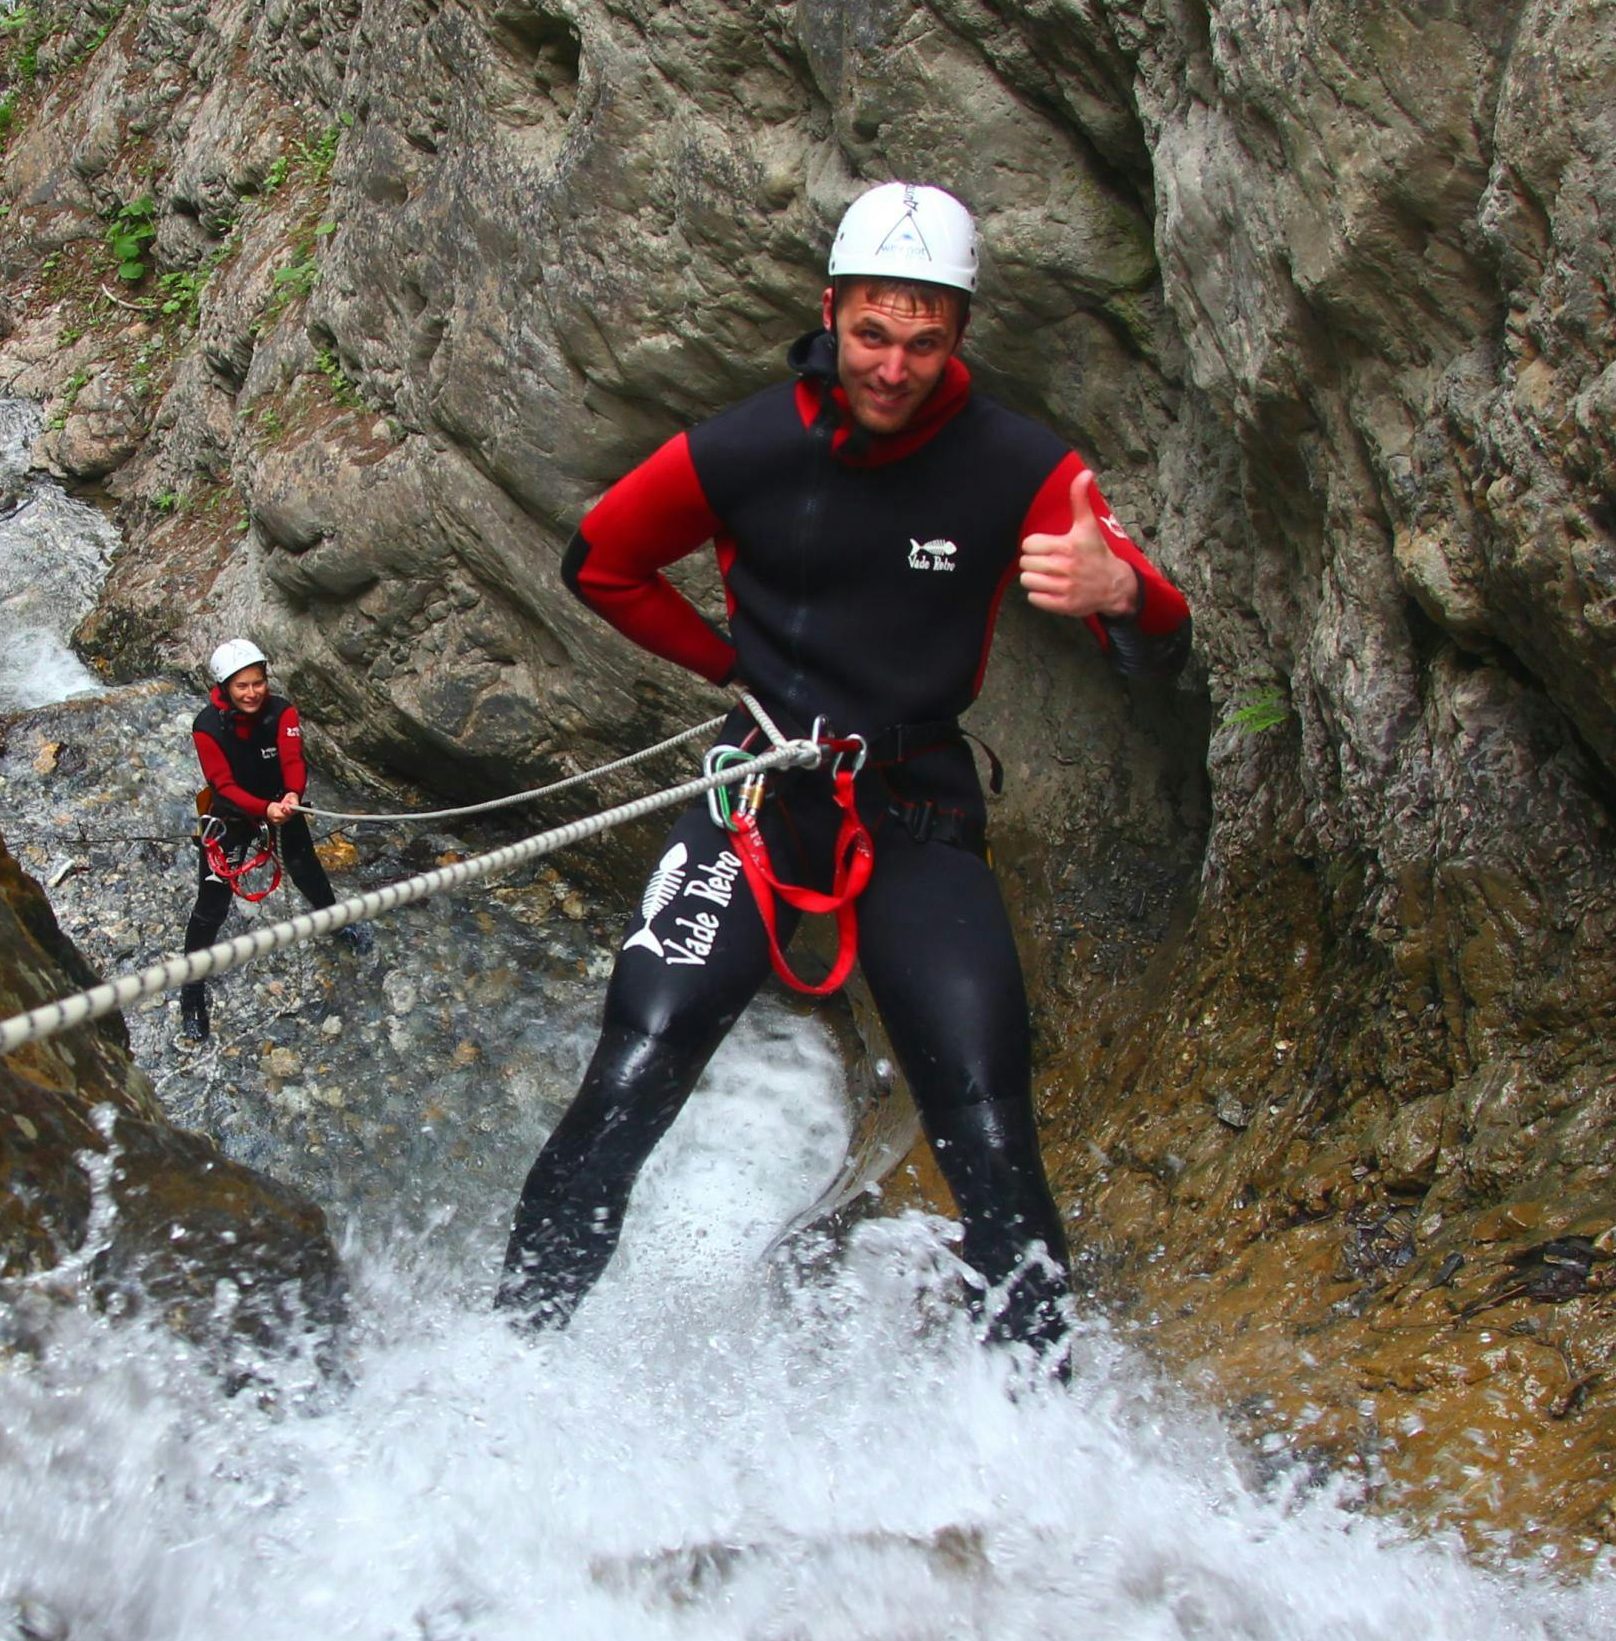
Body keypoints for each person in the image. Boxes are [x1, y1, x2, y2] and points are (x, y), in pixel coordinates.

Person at [499, 183, 1191, 1346]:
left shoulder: (1019, 466)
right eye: (872, 333)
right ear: (831, 312)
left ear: (960, 336)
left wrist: (1125, 595)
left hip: (915, 807)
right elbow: (602, 558)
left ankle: (1033, 1436)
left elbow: (1158, 644)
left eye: (926, 341)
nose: (893, 365)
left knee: (984, 1111)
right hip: (760, 793)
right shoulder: (752, 446)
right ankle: (512, 1358)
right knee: (639, 1060)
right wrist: (737, 673)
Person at [179, 638, 351, 1041]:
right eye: (242, 686)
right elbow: (221, 784)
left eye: (258, 683)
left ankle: (337, 923)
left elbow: (292, 760)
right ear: (224, 687)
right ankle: (192, 991)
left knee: (306, 867)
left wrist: (291, 796)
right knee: (212, 903)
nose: (253, 693)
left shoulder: (282, 712)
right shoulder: (206, 727)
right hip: (234, 813)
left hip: (282, 803)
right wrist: (263, 810)